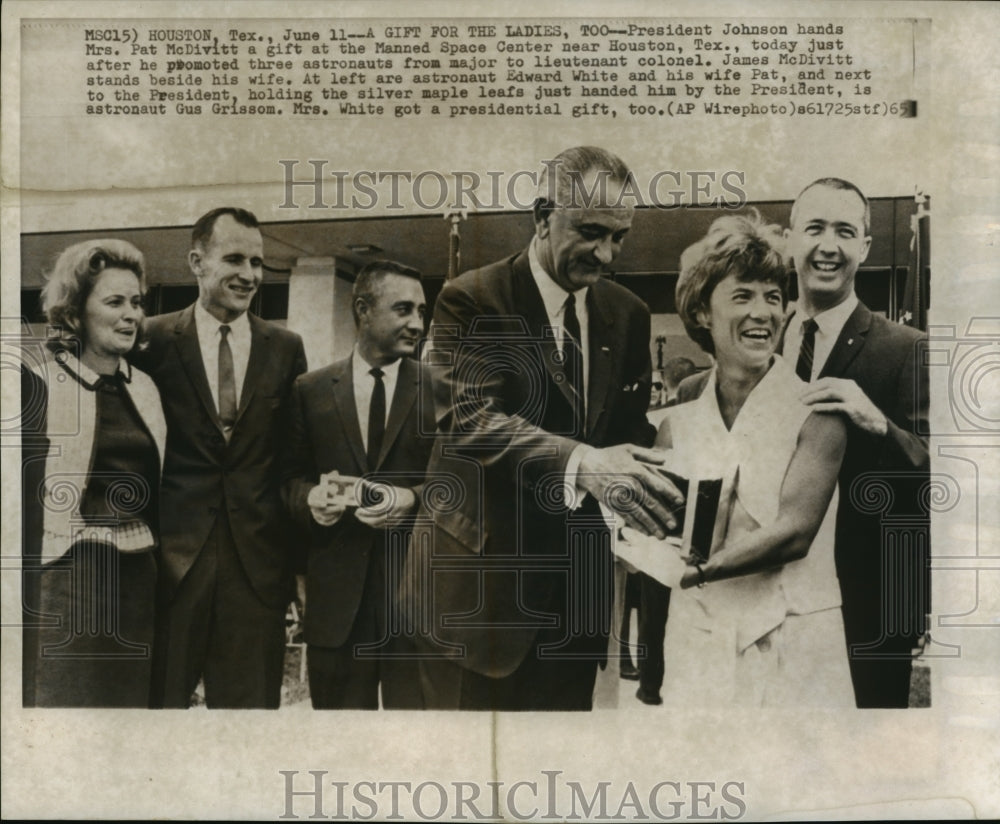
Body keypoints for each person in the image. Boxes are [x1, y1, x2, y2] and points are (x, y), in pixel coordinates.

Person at [399, 146, 683, 710]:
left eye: (619, 236)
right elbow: (466, 420)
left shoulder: (626, 314)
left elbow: (625, 435)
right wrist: (585, 463)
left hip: (573, 609)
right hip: (475, 606)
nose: (606, 253)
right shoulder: (470, 299)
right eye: (591, 231)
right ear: (542, 216)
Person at [624, 211, 854, 707]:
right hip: (699, 649)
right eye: (742, 295)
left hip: (797, 650)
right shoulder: (676, 424)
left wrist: (698, 573)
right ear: (703, 312)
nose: (763, 312)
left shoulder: (819, 411)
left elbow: (794, 532)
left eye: (774, 297)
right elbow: (662, 540)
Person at [134, 207, 307, 708]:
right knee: (155, 714)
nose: (250, 275)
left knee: (249, 725)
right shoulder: (149, 340)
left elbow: (291, 463)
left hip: (256, 570)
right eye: (234, 258)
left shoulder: (286, 348)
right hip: (171, 566)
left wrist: (294, 571)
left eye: (257, 262)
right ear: (197, 262)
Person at [783, 178, 930, 707]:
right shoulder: (767, 340)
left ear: (865, 247)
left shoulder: (908, 349)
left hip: (865, 614)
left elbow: (947, 478)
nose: (829, 245)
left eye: (845, 231)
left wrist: (879, 425)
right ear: (788, 239)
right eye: (815, 228)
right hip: (772, 600)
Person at [282, 261, 434, 709]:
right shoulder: (309, 391)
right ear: (363, 309)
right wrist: (310, 499)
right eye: (403, 309)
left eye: (422, 312)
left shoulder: (441, 390)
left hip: (416, 605)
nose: (417, 324)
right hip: (337, 609)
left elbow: (463, 486)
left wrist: (413, 500)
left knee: (419, 749)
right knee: (342, 748)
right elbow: (285, 482)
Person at [22, 239, 166, 707]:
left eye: (137, 302)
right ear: (76, 310)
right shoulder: (38, 384)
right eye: (114, 302)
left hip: (139, 579)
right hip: (70, 580)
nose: (131, 314)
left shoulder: (145, 388)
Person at [634, 355, 698, 705]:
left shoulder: (663, 421)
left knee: (652, 617)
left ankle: (649, 686)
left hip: (662, 534)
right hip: (695, 537)